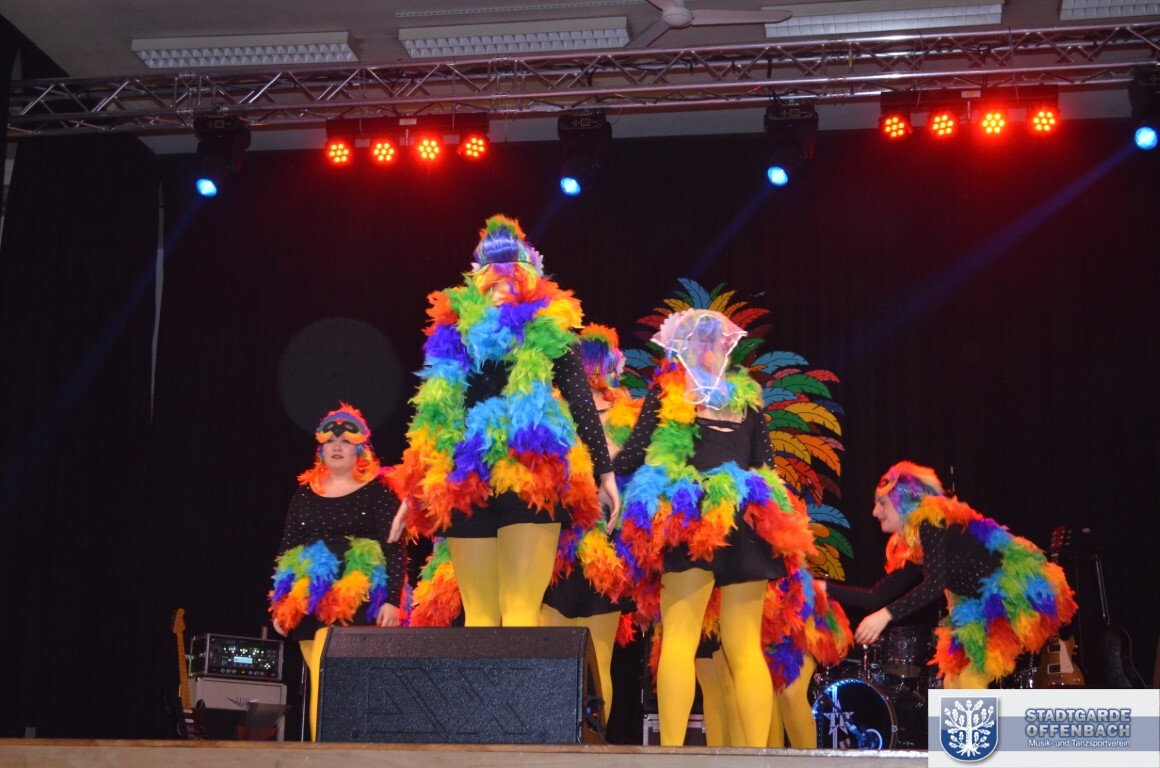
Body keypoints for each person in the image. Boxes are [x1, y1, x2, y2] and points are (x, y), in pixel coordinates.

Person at [388, 215, 619, 629]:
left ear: (528, 280)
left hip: (534, 465)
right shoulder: (453, 332)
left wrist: (604, 471)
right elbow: (434, 413)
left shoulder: (552, 329)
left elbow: (580, 400)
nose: (499, 287)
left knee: (521, 612)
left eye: (509, 279)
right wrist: (414, 487)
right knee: (478, 617)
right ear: (476, 282)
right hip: (466, 470)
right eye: (491, 280)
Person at [613, 308, 816, 747]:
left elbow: (633, 457)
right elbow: (765, 467)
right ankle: (757, 754)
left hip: (689, 515)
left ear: (681, 347)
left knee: (680, 637)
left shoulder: (667, 393)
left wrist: (604, 456)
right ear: (725, 346)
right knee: (744, 647)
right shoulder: (748, 399)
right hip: (747, 516)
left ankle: (671, 751)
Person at [827, 461, 1077, 689]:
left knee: (969, 680)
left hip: (1011, 591)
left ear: (905, 503)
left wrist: (885, 615)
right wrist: (821, 587)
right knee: (953, 680)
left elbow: (934, 585)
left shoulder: (931, 521)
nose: (875, 512)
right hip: (975, 607)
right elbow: (876, 595)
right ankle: (963, 727)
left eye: (882, 503)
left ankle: (980, 727)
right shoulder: (917, 546)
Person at [268, 403, 407, 740]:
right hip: (310, 598)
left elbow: (394, 547)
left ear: (360, 449)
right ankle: (323, 750)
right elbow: (287, 550)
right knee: (320, 677)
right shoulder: (304, 493)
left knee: (346, 679)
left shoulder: (378, 490)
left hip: (358, 597)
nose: (337, 447)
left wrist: (391, 600)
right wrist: (281, 604)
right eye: (330, 441)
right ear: (321, 448)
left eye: (346, 441)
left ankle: (349, 749)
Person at [540, 324, 639, 726]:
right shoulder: (555, 411)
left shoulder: (629, 417)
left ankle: (593, 743)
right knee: (550, 653)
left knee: (597, 657)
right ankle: (549, 739)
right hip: (558, 542)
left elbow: (640, 479)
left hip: (607, 547)